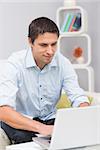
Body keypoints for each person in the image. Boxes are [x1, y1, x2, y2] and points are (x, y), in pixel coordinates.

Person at [0, 17, 90, 145]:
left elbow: (78, 97)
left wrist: (84, 114)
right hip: (22, 122)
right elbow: (3, 110)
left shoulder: (63, 63)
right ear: (30, 42)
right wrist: (43, 129)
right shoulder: (14, 64)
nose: (50, 51)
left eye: (54, 44)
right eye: (43, 45)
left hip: (50, 120)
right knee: (24, 138)